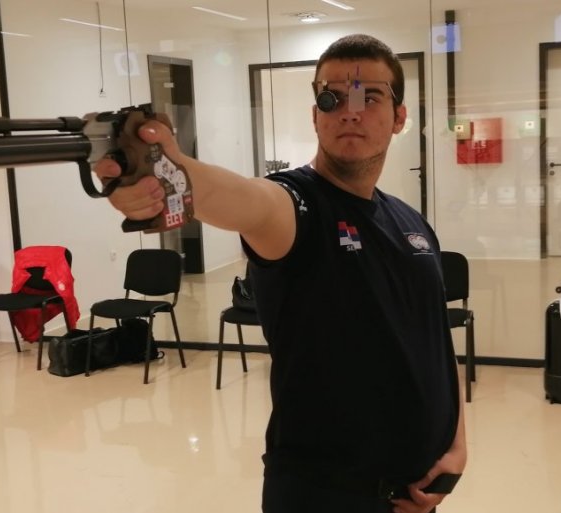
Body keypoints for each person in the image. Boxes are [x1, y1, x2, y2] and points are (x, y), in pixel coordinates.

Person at [96, 34, 466, 513]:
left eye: (369, 97)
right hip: (322, 496)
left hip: (417, 494)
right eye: (332, 99)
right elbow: (246, 200)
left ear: (399, 117)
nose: (349, 112)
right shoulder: (296, 203)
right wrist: (174, 174)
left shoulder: (411, 222)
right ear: (315, 115)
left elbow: (435, 339)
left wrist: (456, 443)